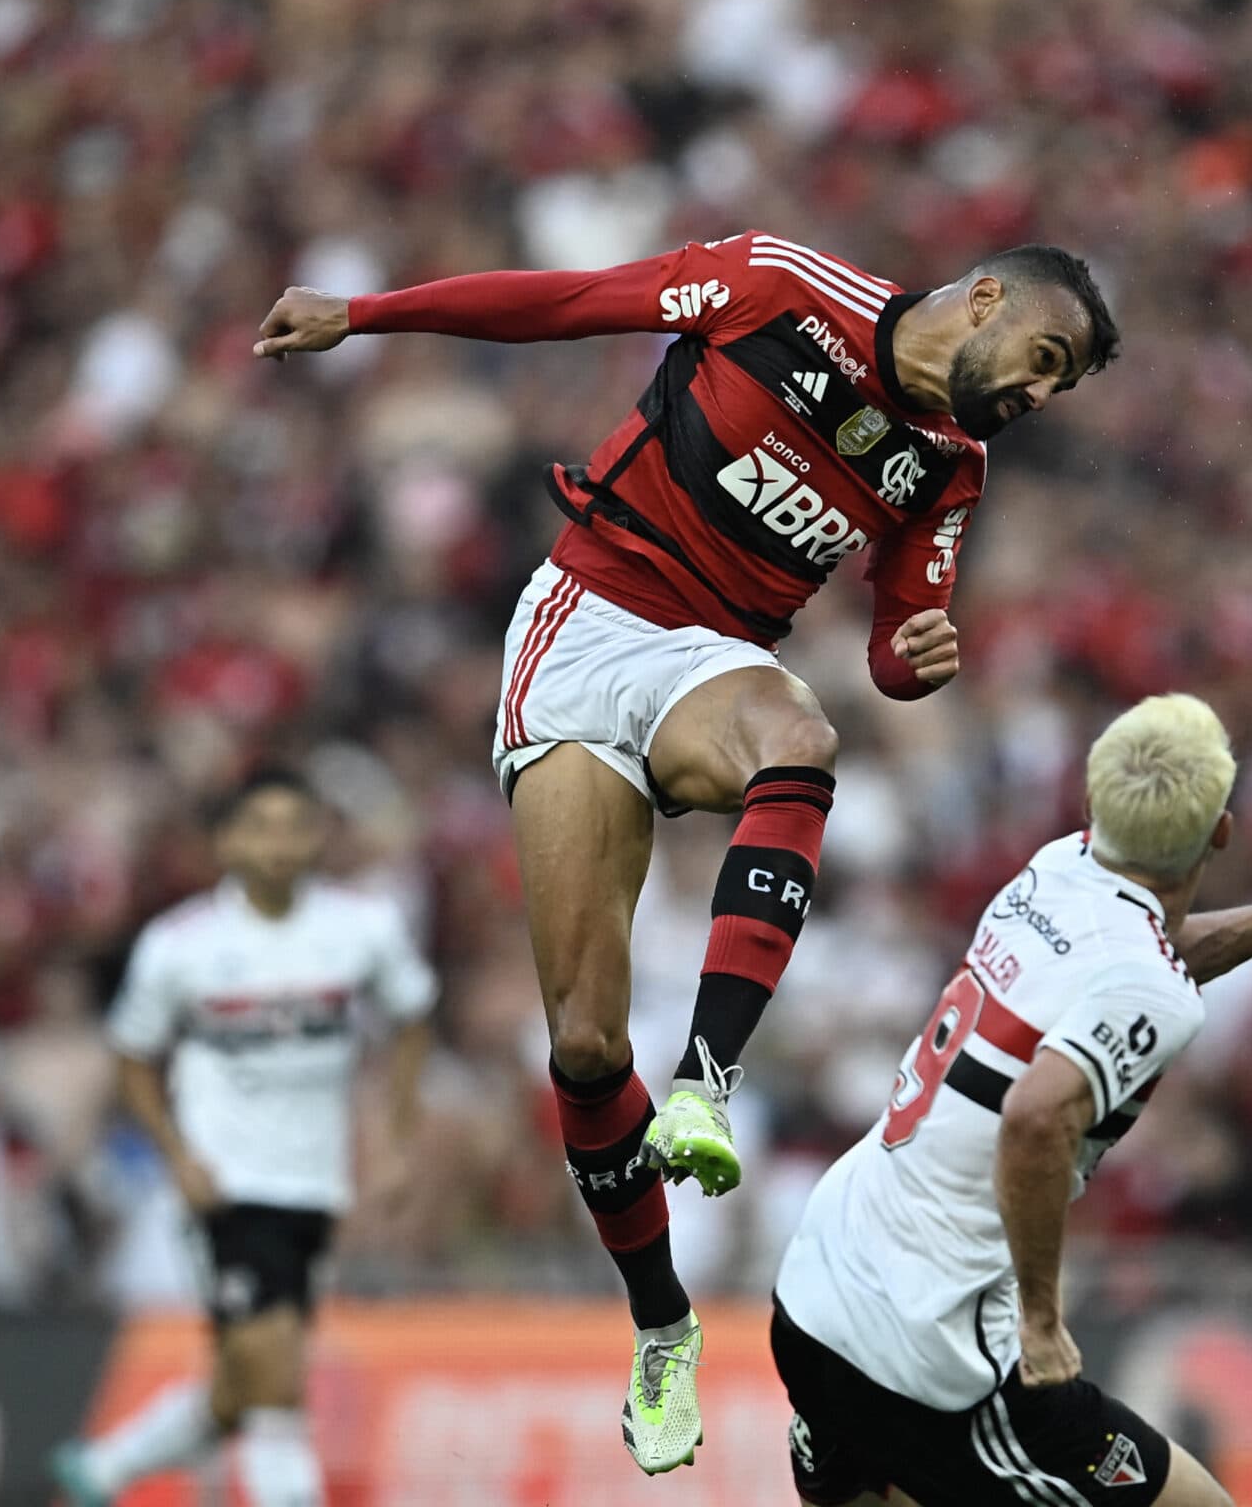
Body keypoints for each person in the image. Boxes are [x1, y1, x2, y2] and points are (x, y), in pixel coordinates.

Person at [252, 231, 1120, 1470]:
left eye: (1063, 384)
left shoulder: (949, 466)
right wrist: (368, 311)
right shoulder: (782, 288)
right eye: (1045, 357)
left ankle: (707, 1080)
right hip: (585, 624)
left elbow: (890, 636)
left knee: (802, 736)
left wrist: (914, 659)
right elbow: (576, 300)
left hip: (713, 662)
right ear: (985, 300)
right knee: (588, 1045)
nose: (1041, 392)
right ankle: (661, 1327)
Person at [771, 695, 1252, 1507]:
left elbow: (1144, 957)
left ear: (1093, 805)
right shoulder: (1149, 986)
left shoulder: (1058, 866)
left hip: (821, 1283)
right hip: (933, 1349)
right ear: (1220, 832)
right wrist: (1040, 1321)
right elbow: (1039, 1116)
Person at [51, 767, 435, 1507]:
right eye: (261, 826)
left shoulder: (362, 927)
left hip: (317, 1183)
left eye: (296, 825)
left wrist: (395, 1138)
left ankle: (99, 1472)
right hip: (227, 1183)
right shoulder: (181, 944)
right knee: (275, 1384)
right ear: (226, 841)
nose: (280, 843)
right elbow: (132, 1058)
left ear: (319, 835)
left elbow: (413, 1014)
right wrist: (178, 1155)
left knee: (241, 1380)